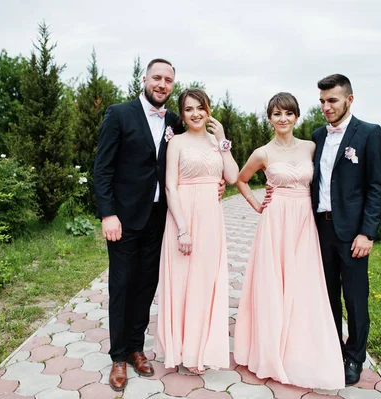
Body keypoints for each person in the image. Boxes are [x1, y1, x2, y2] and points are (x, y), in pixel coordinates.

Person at [93, 59, 224, 392]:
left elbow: (191, 157)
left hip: (160, 217)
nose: (162, 84)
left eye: (168, 80)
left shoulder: (176, 122)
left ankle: (137, 348)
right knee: (122, 285)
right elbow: (103, 169)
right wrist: (108, 213)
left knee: (146, 284)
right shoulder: (119, 114)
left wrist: (216, 183)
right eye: (157, 78)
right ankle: (119, 357)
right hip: (123, 218)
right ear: (144, 79)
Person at [233, 92, 344, 389]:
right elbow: (241, 180)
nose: (283, 119)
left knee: (303, 283)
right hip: (275, 220)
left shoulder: (311, 147)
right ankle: (270, 348)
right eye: (277, 114)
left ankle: (300, 346)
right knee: (273, 283)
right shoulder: (262, 153)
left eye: (288, 113)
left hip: (304, 221)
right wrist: (257, 205)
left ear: (297, 117)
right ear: (269, 118)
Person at [155, 88, 238, 374]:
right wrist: (182, 229)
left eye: (200, 107)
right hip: (182, 217)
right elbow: (170, 186)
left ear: (208, 109)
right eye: (189, 109)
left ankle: (198, 351)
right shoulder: (176, 142)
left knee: (205, 282)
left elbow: (233, 177)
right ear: (183, 112)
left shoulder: (218, 143)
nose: (195, 114)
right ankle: (178, 348)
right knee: (181, 283)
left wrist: (223, 140)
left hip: (211, 219)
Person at [312, 74, 381, 385]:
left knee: (355, 300)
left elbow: (375, 188)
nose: (326, 107)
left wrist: (367, 233)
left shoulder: (369, 134)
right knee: (327, 296)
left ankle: (355, 357)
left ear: (349, 100)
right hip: (319, 230)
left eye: (332, 100)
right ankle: (332, 352)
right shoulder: (317, 136)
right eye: (322, 101)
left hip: (353, 233)